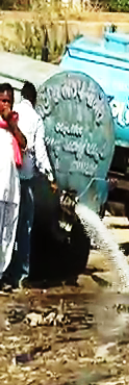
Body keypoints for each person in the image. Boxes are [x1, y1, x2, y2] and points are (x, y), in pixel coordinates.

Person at [5, 82, 54, 289]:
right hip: (24, 180)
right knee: (24, 227)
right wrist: (50, 177)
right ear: (33, 99)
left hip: (7, 177)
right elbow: (40, 152)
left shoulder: (10, 114)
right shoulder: (36, 119)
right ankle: (21, 275)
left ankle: (4, 272)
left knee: (7, 227)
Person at [0, 83, 26, 286]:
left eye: (9, 101)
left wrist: (12, 124)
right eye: (3, 101)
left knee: (9, 233)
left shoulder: (15, 125)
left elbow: (24, 143)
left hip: (11, 189)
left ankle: (1, 273)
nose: (6, 105)